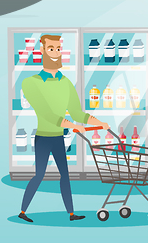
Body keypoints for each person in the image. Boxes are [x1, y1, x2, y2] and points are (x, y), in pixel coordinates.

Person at [18, 35, 110, 222]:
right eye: (51, 49)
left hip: (59, 138)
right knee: (39, 175)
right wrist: (73, 126)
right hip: (44, 137)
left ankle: (71, 213)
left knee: (65, 176)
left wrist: (98, 123)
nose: (56, 53)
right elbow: (47, 114)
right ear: (42, 51)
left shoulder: (65, 82)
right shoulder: (30, 82)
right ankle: (23, 211)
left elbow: (77, 113)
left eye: (58, 49)